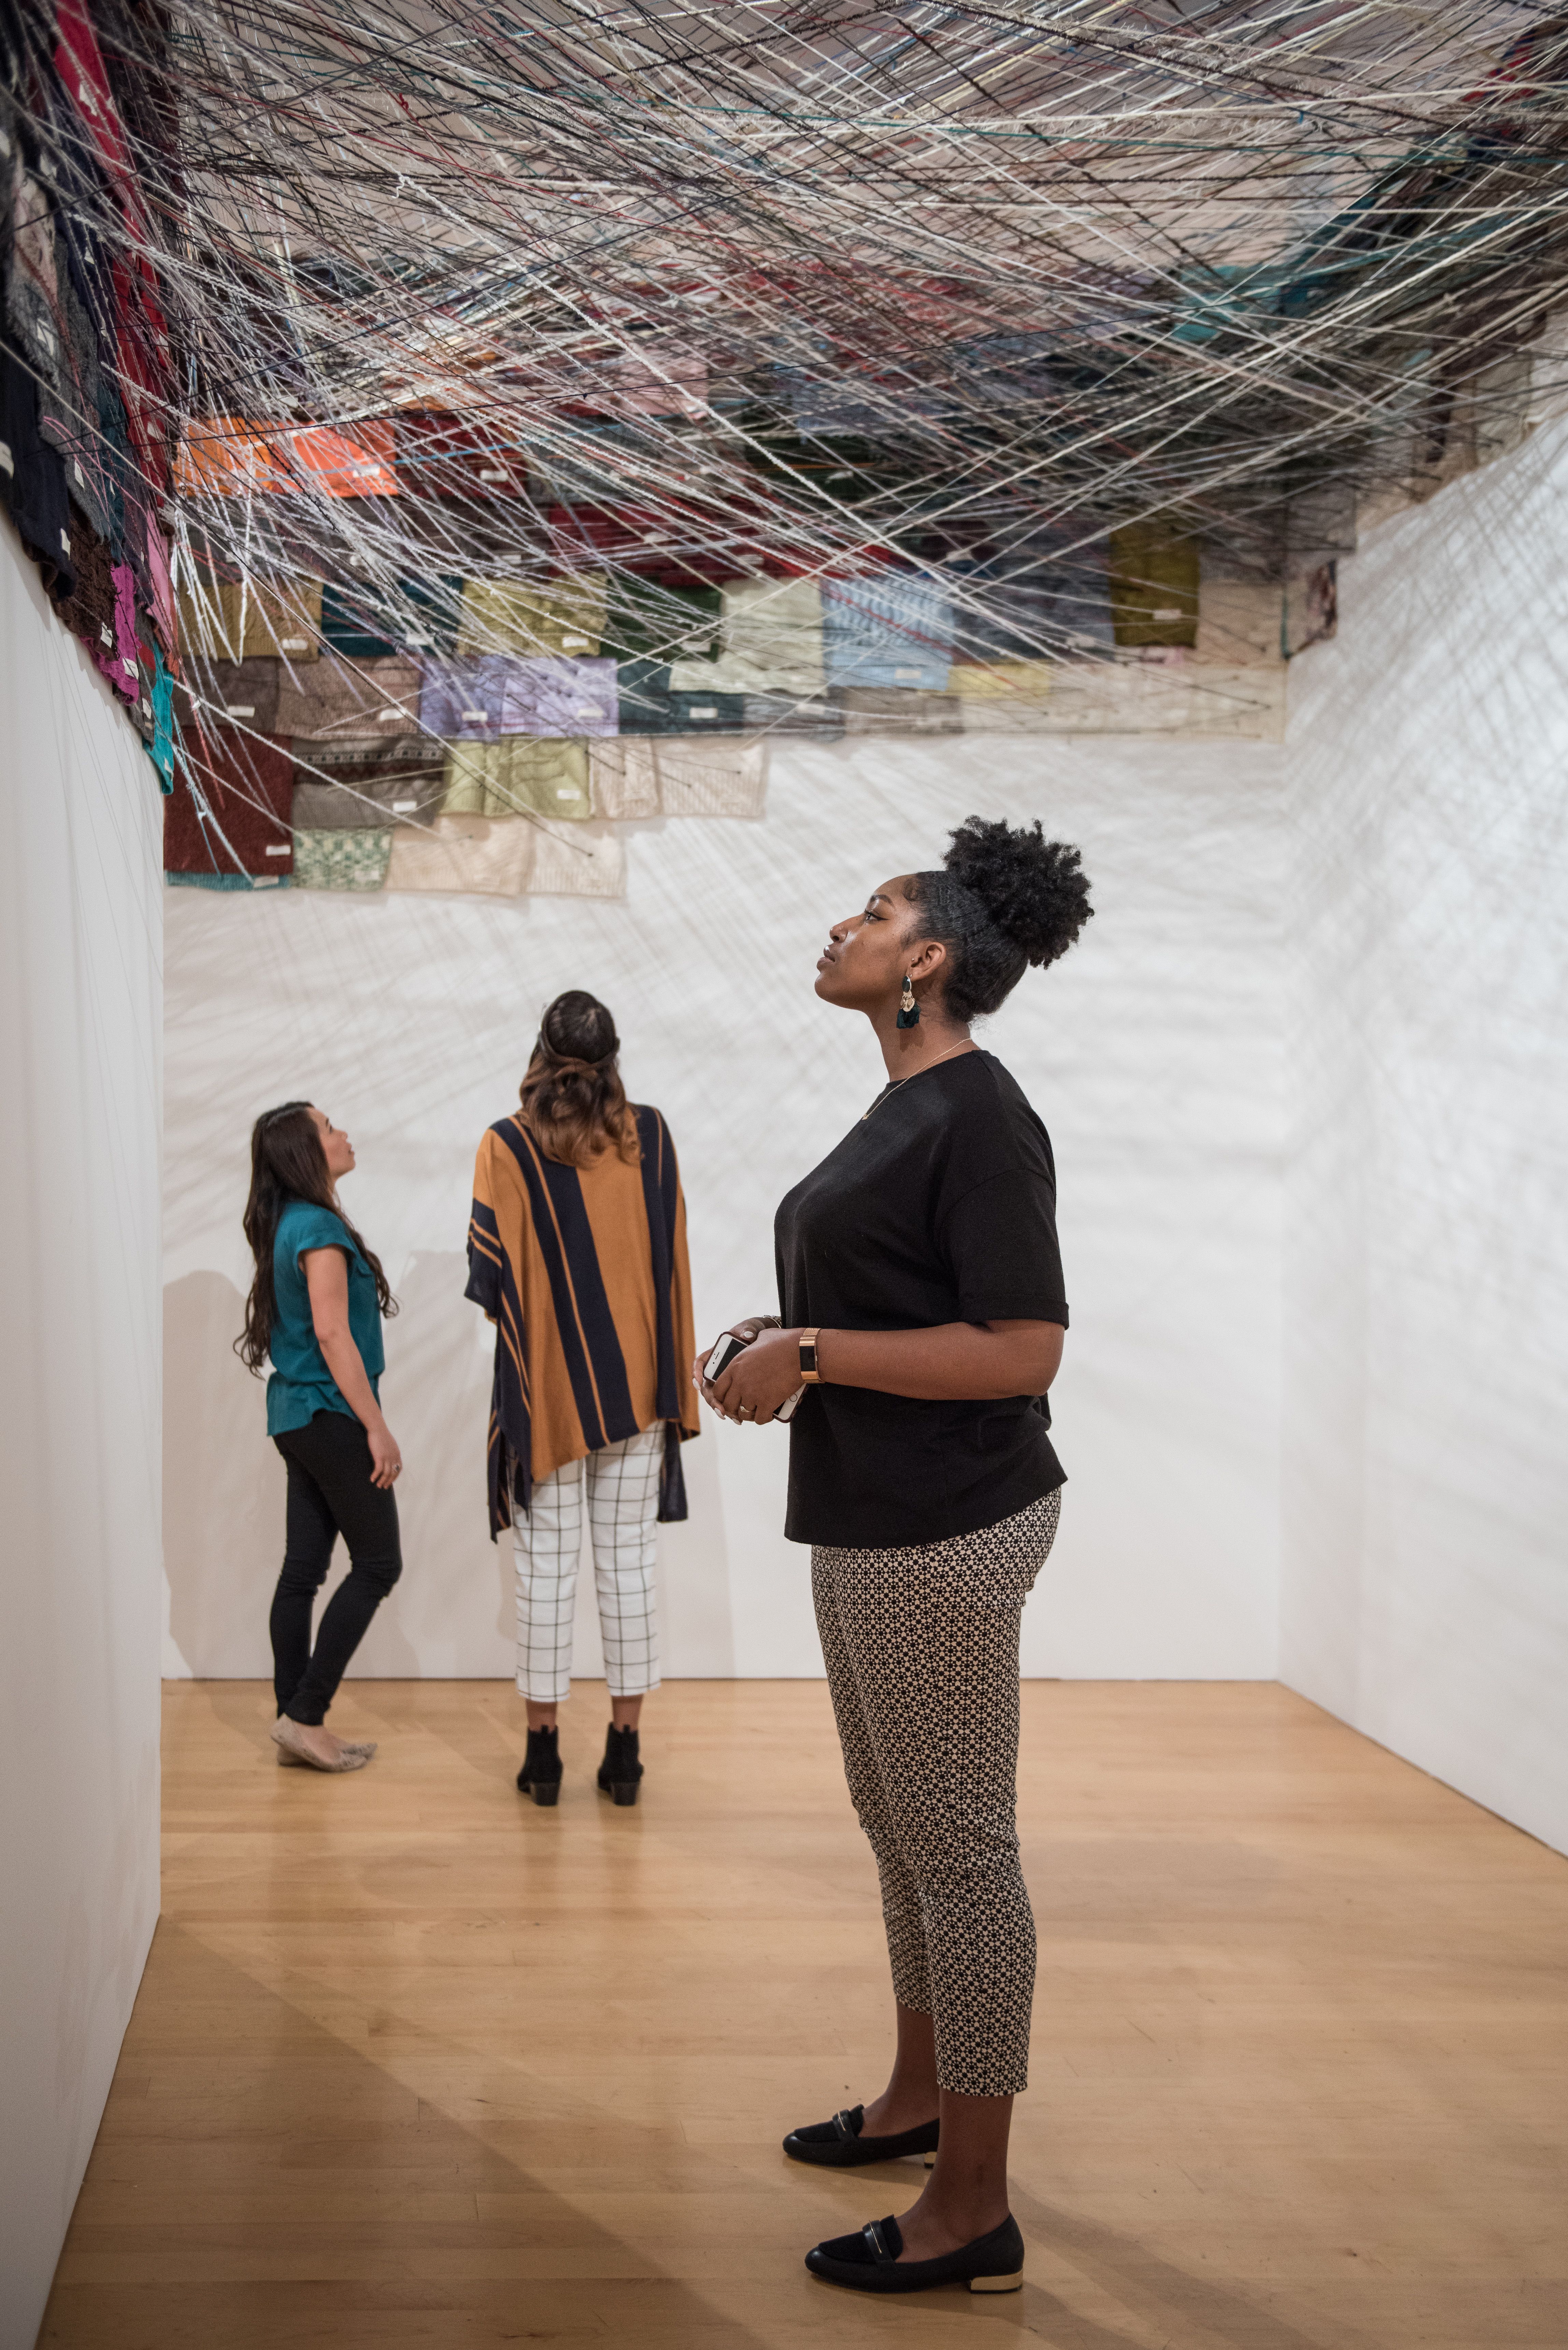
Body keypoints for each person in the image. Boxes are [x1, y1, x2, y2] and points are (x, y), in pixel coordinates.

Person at [700, 814, 1093, 2297]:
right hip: (871, 1509)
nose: (837, 928)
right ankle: (919, 2093)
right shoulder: (905, 1105)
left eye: (866, 912)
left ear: (922, 958)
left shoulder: (977, 1111)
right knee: (900, 1827)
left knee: (960, 1849)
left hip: (943, 1523)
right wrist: (781, 1336)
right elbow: (888, 1309)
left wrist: (805, 1347)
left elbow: (1020, 1346)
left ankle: (969, 2206)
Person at [466, 990, 699, 1809]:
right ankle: (625, 1753)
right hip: (636, 1391)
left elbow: (490, 1279)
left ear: (541, 1052)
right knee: (629, 1563)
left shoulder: (505, 1145)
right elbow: (670, 1261)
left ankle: (541, 1756)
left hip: (550, 1401)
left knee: (543, 1572)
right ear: (612, 1060)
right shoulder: (652, 1134)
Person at [238, 1101, 404, 1774]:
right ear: (308, 1153)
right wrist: (376, 1427)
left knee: (303, 1571)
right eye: (329, 1128)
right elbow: (333, 1335)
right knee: (378, 1564)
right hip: (331, 1414)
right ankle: (306, 1714)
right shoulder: (318, 1229)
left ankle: (293, 1721)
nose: (344, 1133)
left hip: (295, 1415)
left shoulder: (291, 1224)